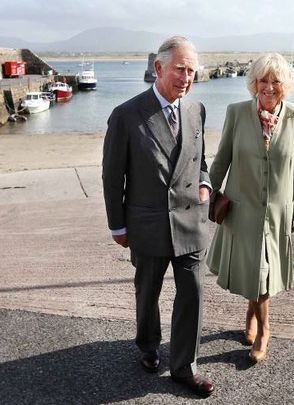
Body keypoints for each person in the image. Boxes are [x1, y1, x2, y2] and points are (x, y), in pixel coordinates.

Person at [102, 36, 214, 397]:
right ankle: (148, 346)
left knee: (192, 293)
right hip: (147, 224)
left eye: (192, 71)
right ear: (158, 68)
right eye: (180, 68)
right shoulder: (126, 114)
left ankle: (185, 366)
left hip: (190, 222)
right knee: (147, 291)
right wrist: (117, 224)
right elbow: (112, 175)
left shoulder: (196, 110)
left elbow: (202, 162)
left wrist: (206, 187)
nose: (186, 77)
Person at [206, 53, 294, 364]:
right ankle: (261, 323)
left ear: (284, 85)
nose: (269, 86)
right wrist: (207, 194)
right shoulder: (236, 113)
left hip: (277, 211)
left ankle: (261, 327)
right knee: (257, 271)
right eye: (263, 80)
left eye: (275, 81)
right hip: (243, 209)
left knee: (261, 272)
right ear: (254, 83)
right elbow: (222, 158)